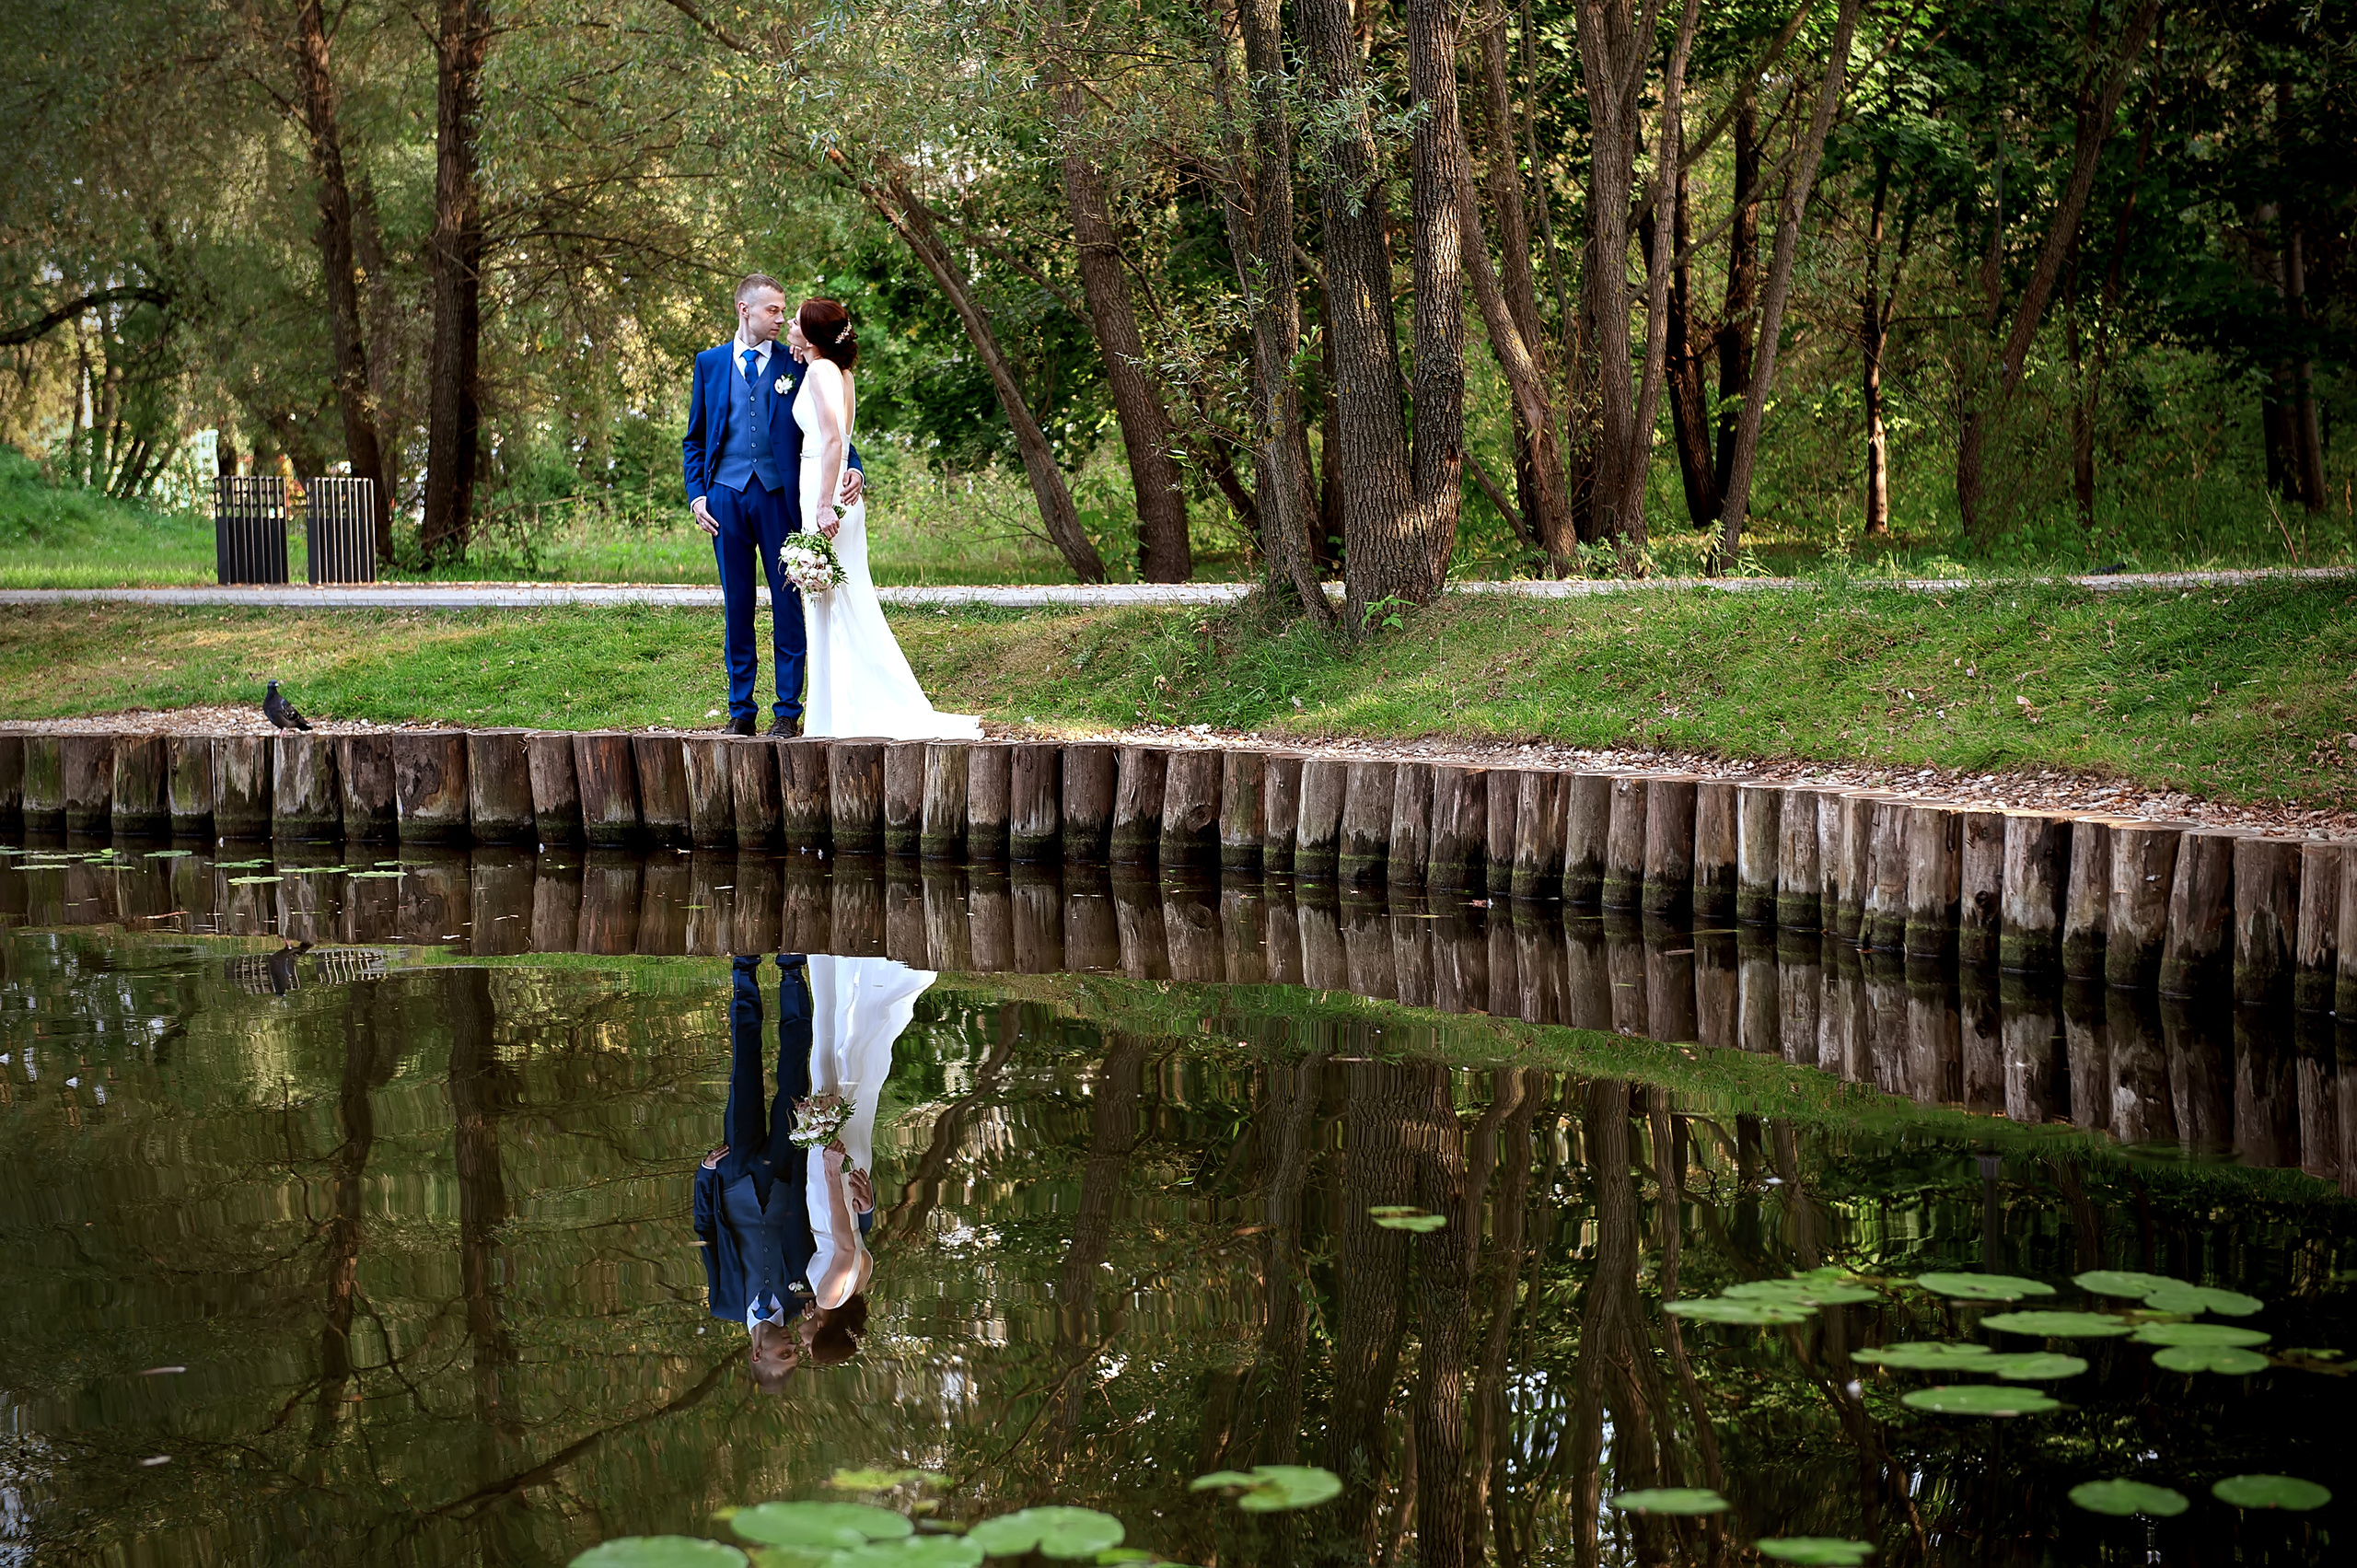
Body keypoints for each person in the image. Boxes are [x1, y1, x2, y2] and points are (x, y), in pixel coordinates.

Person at [786, 299, 982, 740]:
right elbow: (846, 435)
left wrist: (822, 504)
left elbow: (835, 440)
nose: (790, 326)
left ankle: (838, 717)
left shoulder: (819, 373)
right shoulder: (841, 373)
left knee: (828, 598)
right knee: (843, 595)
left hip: (823, 482)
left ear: (813, 335)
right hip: (840, 488)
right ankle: (841, 710)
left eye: (796, 321)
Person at [680, 275, 866, 737]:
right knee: (737, 606)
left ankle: (787, 711)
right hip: (724, 497)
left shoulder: (798, 362)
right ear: (745, 310)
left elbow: (833, 427)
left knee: (789, 604)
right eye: (772, 311)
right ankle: (741, 710)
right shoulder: (710, 364)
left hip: (780, 497)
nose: (781, 319)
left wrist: (854, 467)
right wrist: (697, 494)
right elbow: (695, 439)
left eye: (785, 311)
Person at [692, 954, 817, 1392]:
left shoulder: (724, 1303)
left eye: (784, 1354)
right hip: (787, 1171)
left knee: (743, 1069)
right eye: (795, 1353)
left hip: (735, 1173)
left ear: (757, 1354)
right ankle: (791, 972)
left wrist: (706, 1174)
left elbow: (706, 1230)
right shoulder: (805, 1302)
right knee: (793, 1075)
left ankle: (743, 970)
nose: (792, 1346)